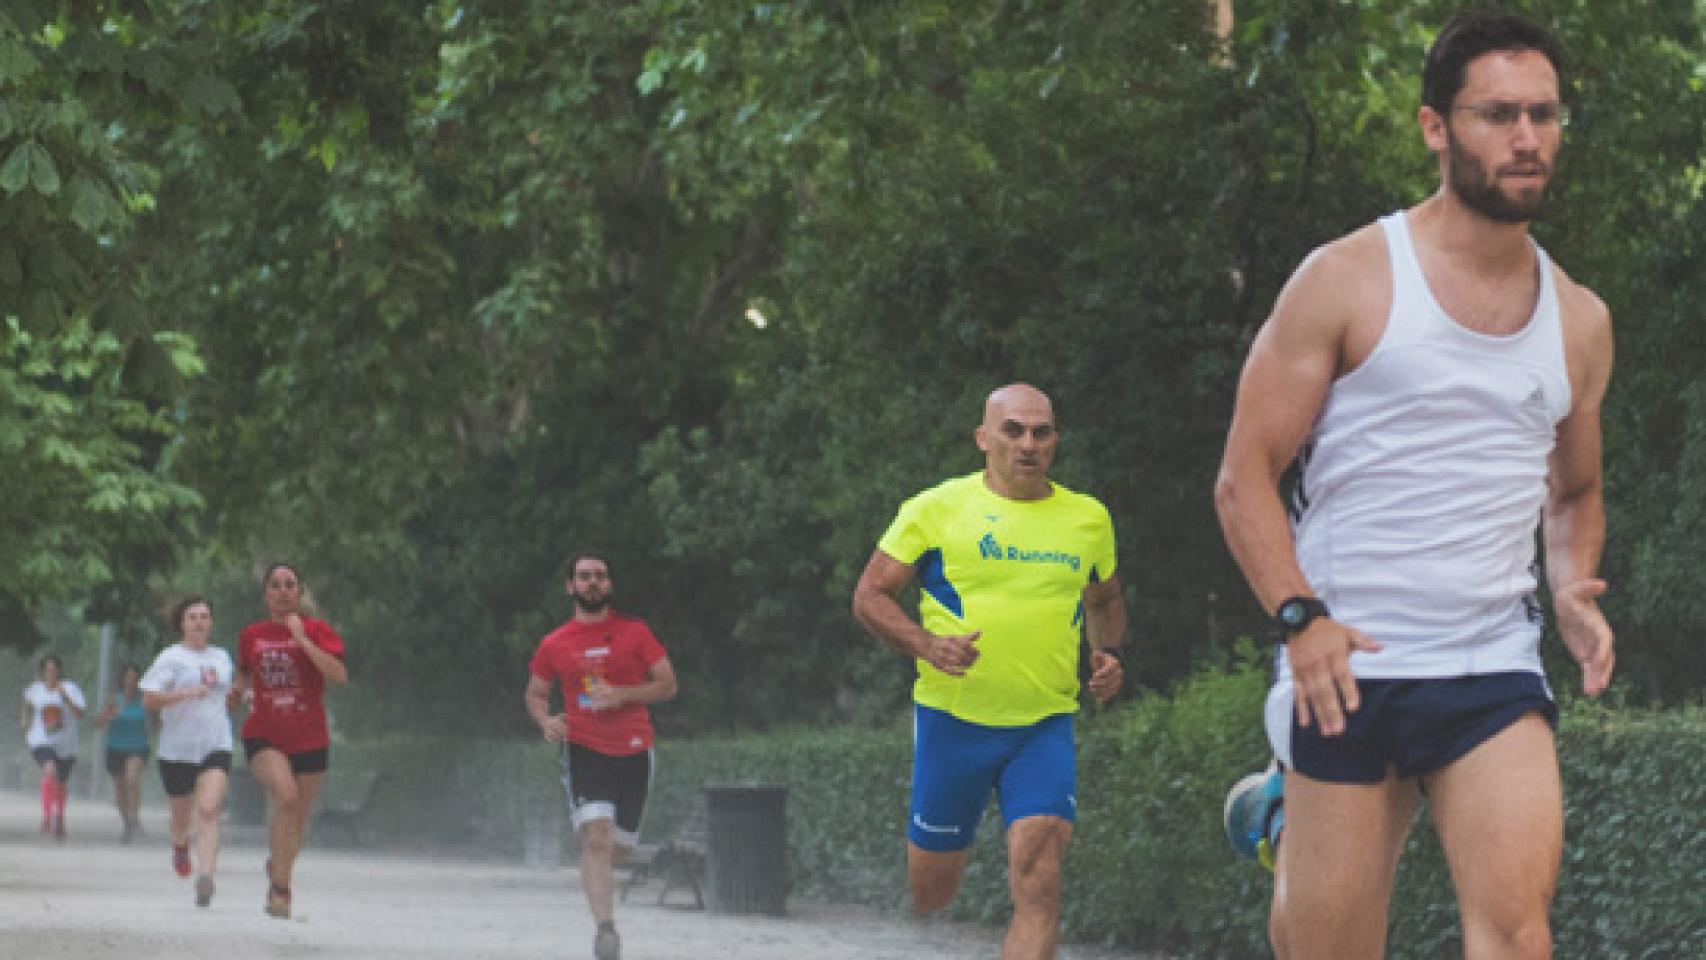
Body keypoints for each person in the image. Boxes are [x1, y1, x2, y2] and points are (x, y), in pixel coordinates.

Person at [1213, 10, 1614, 959]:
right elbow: (1243, 480)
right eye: (1498, 114)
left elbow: (1575, 492)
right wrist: (1299, 621)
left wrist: (1569, 588)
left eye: (1545, 115)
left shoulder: (1580, 320)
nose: (1527, 138)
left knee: (1518, 937)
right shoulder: (1348, 279)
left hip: (1490, 663)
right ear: (1436, 126)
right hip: (1347, 663)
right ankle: (1285, 816)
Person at [851, 383, 1126, 960]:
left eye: (1041, 432)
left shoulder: (1087, 518)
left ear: (1055, 440)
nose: (1028, 444)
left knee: (1040, 877)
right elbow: (870, 596)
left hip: (1043, 724)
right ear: (984, 438)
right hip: (954, 721)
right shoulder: (935, 509)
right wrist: (927, 645)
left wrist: (1107, 655)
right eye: (1013, 430)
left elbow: (1102, 599)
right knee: (931, 892)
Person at [524, 553, 678, 960]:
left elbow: (667, 684)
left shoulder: (635, 633)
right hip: (584, 748)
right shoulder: (554, 643)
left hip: (634, 749)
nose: (592, 582)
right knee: (596, 840)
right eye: (584, 577)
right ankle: (606, 931)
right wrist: (544, 720)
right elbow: (536, 692)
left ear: (609, 586)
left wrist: (623, 694)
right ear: (570, 587)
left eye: (600, 576)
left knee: (620, 850)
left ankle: (607, 902)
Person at [238, 563, 348, 919]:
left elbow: (339, 675)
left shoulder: (318, 630)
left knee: (296, 820)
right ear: (266, 594)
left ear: (300, 594)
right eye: (276, 585)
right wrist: (236, 690)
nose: (283, 591)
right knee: (285, 795)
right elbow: (243, 674)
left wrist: (301, 640)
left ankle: (278, 867)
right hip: (264, 732)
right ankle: (281, 892)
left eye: (290, 585)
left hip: (310, 737)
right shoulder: (252, 634)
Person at [141, 596, 237, 908]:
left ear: (211, 623)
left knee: (209, 810)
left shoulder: (222, 658)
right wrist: (183, 693)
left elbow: (228, 699)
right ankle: (180, 845)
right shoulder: (170, 658)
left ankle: (205, 876)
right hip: (177, 749)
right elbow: (150, 700)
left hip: (215, 744)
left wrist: (239, 696)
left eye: (204, 616)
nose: (198, 621)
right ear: (182, 623)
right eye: (192, 616)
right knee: (181, 818)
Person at [21, 653, 87, 840]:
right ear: (42, 672)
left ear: (59, 671)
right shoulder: (34, 690)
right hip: (41, 740)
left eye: (54, 669)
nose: (51, 673)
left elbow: (80, 713)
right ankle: (47, 816)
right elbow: (26, 707)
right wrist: (26, 728)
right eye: (47, 669)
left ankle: (60, 817)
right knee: (50, 771)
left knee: (61, 782)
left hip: (66, 743)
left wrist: (65, 698)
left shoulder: (70, 688)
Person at [95, 663, 151, 842]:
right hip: (115, 748)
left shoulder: (145, 700)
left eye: (134, 679)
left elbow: (155, 724)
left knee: (132, 778)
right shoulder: (114, 700)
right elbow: (98, 723)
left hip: (138, 747)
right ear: (122, 681)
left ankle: (134, 818)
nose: (131, 682)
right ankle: (127, 823)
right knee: (120, 790)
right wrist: (109, 716)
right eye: (128, 678)